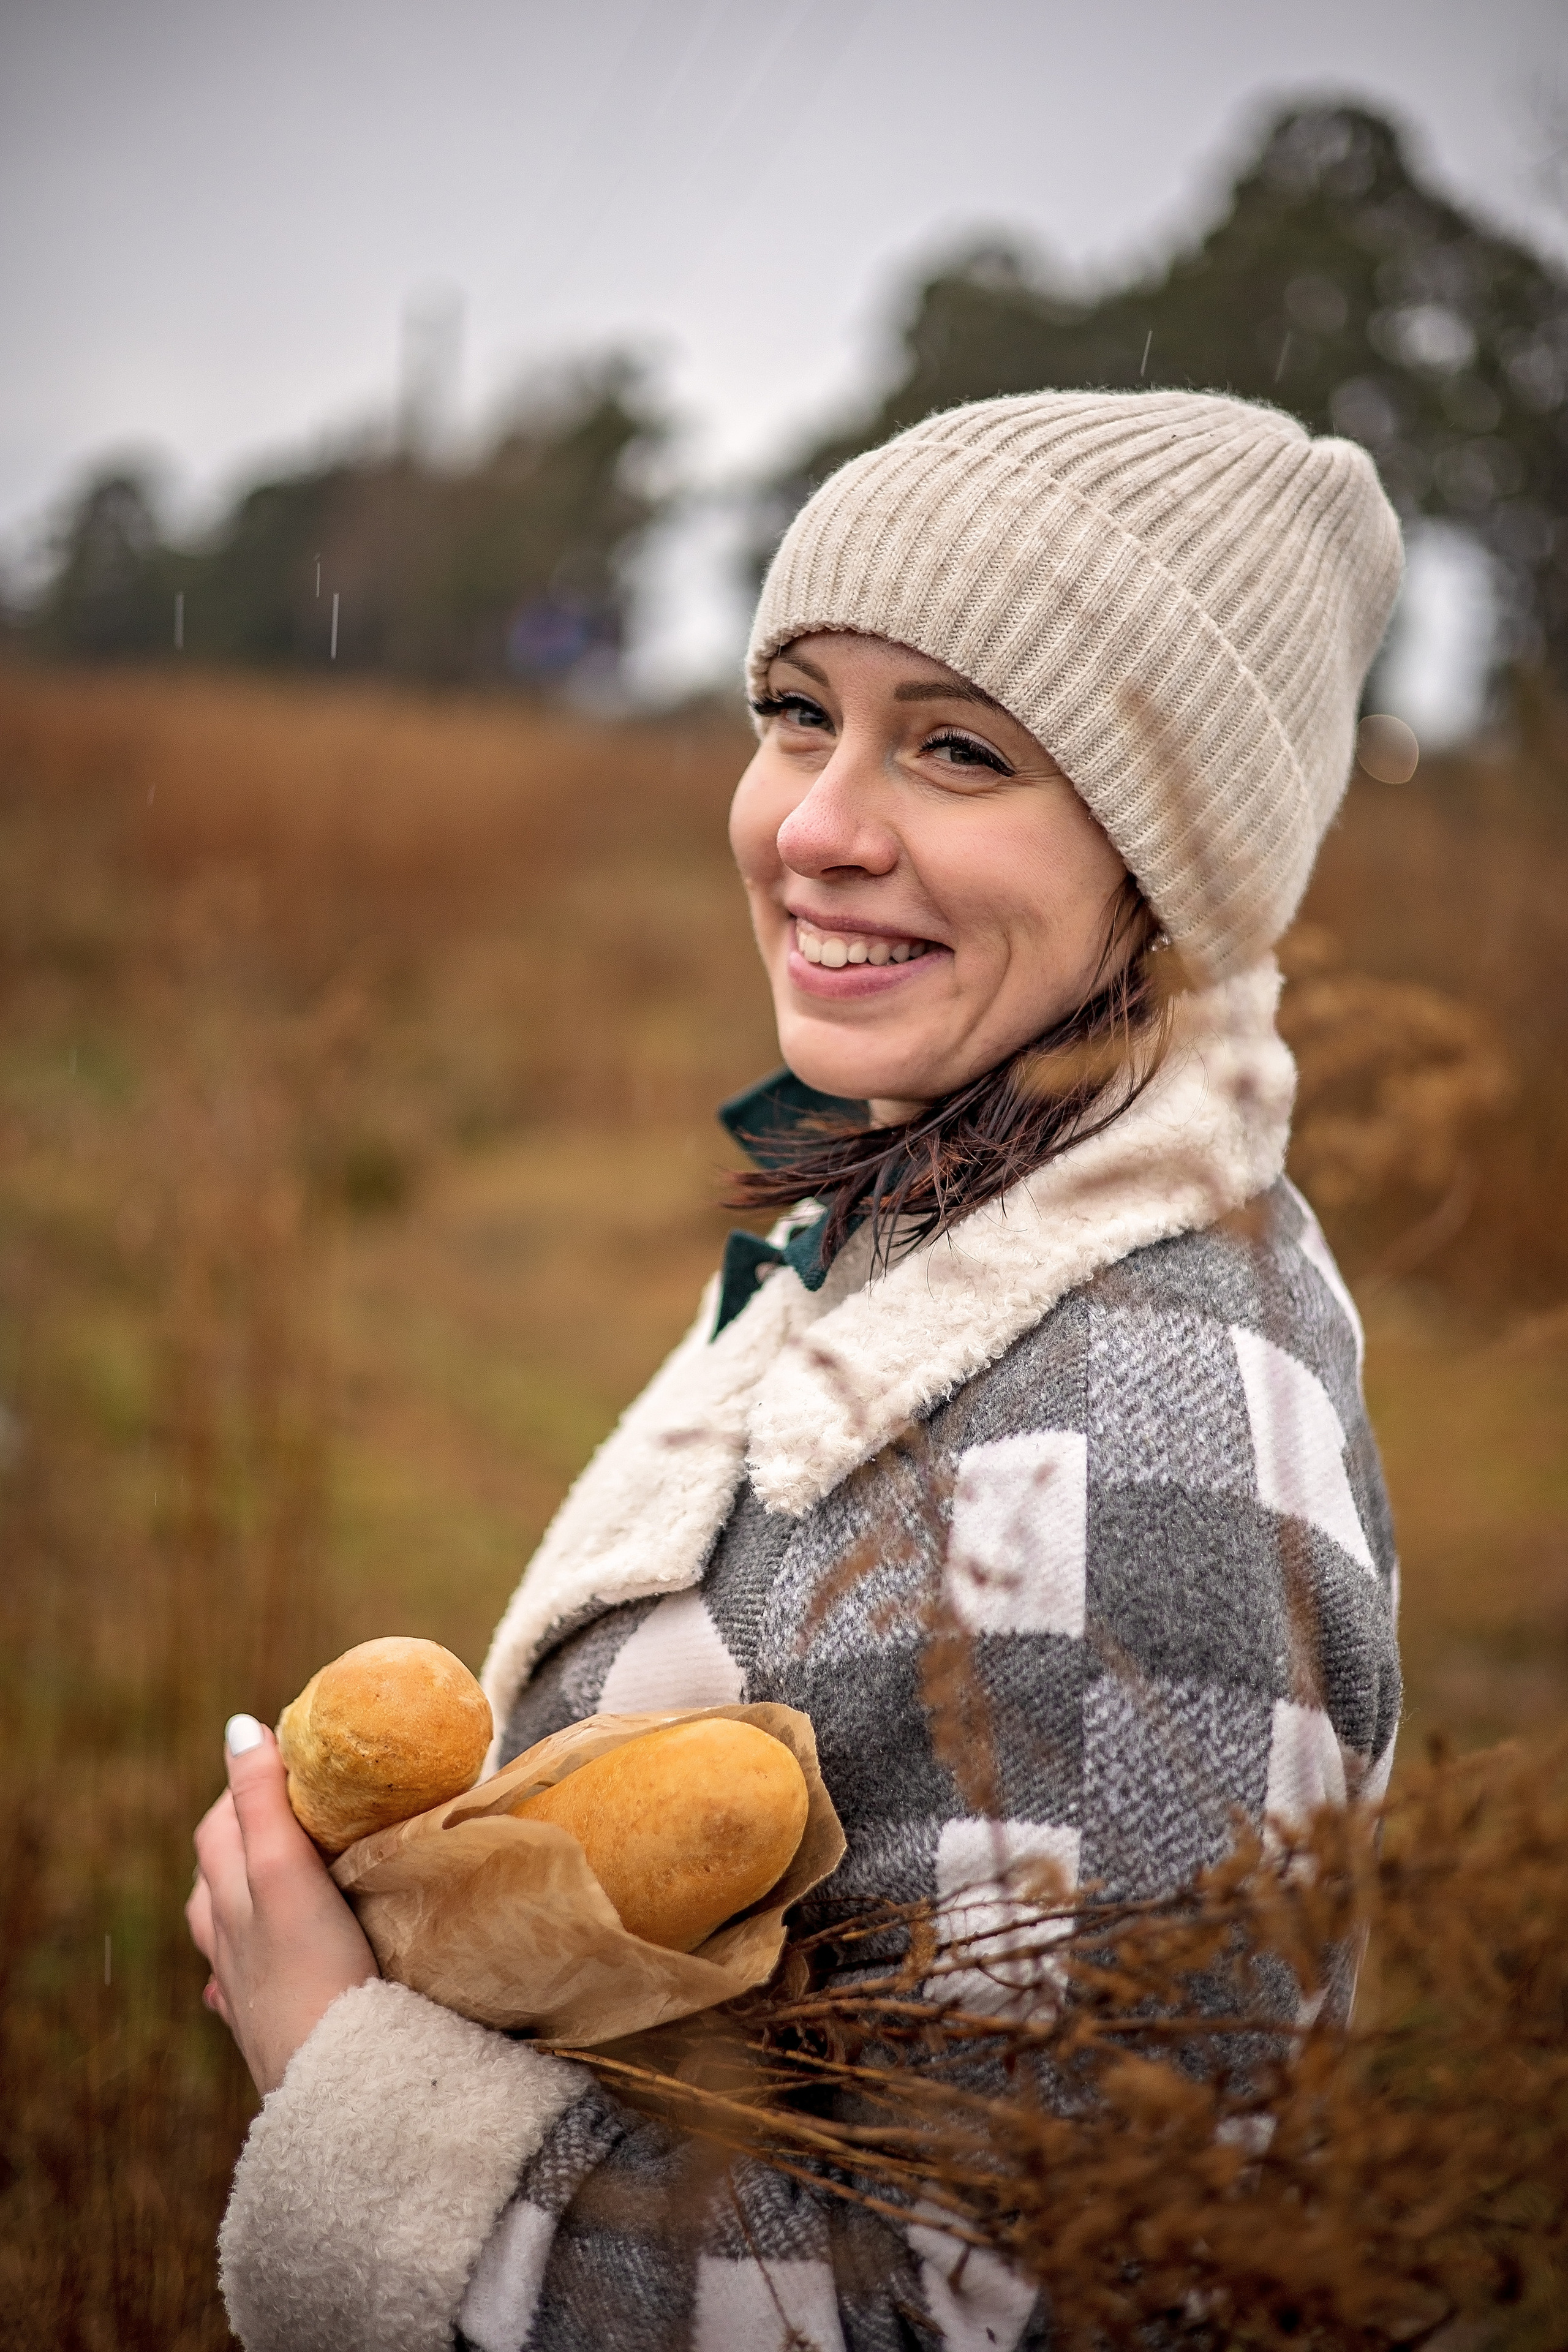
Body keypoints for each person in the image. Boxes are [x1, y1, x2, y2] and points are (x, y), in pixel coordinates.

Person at [189, 389, 1404, 2352]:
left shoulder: (1127, 1426)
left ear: (1169, 854)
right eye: (794, 711)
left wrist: (342, 2074)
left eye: (956, 746)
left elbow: (1052, 2312)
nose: (816, 828)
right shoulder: (950, 1203)